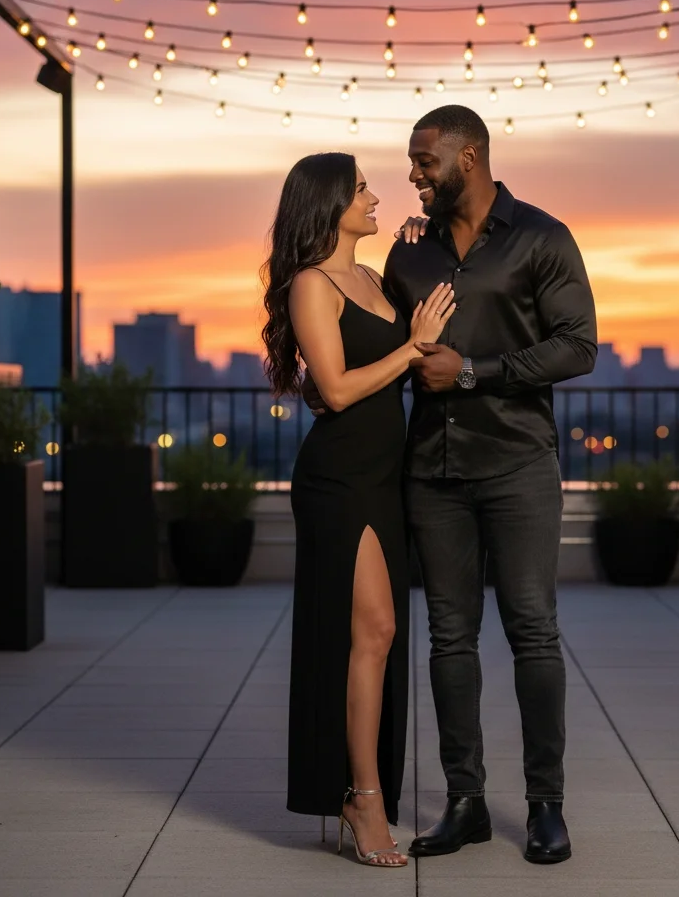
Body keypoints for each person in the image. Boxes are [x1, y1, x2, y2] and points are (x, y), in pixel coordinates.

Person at [307, 105, 597, 864]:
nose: (411, 175)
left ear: (468, 159)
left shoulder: (542, 237)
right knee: (448, 639)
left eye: (423, 162)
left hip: (519, 464)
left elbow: (579, 347)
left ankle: (545, 807)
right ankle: (464, 801)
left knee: (533, 633)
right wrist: (320, 385)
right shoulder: (407, 255)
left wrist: (475, 372)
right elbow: (374, 341)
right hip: (430, 474)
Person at [262, 152, 456, 869]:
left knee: (378, 635)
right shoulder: (312, 285)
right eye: (363, 189)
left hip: (383, 476)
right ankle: (363, 796)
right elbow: (338, 390)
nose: (376, 197)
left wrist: (420, 241)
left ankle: (362, 788)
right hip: (338, 478)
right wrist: (411, 349)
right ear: (329, 204)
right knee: (372, 630)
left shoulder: (374, 279)